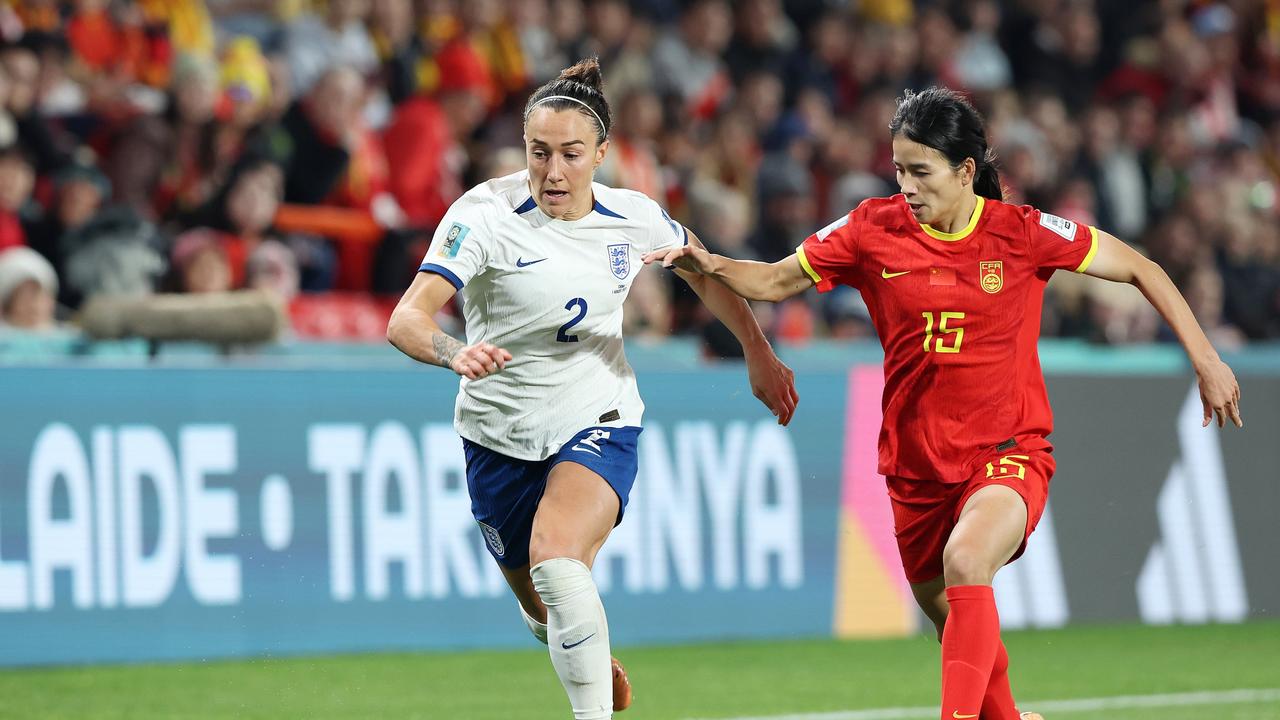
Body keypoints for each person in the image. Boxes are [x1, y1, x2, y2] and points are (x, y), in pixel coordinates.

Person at [644, 86, 1243, 720]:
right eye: (898, 169)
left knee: (967, 560)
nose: (906, 184)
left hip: (1007, 453)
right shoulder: (870, 229)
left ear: (965, 172)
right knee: (958, 630)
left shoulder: (1024, 233)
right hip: (916, 470)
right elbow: (773, 279)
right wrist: (707, 263)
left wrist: (1205, 359)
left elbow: (1142, 269)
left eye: (921, 171)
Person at [386, 58, 798, 719]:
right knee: (541, 603)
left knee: (556, 555)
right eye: (539, 152)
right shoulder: (484, 215)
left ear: (602, 154)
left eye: (571, 154)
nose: (553, 171)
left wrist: (758, 352)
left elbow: (707, 273)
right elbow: (406, 317)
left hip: (597, 415)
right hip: (496, 434)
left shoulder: (633, 217)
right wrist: (454, 352)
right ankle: (585, 652)